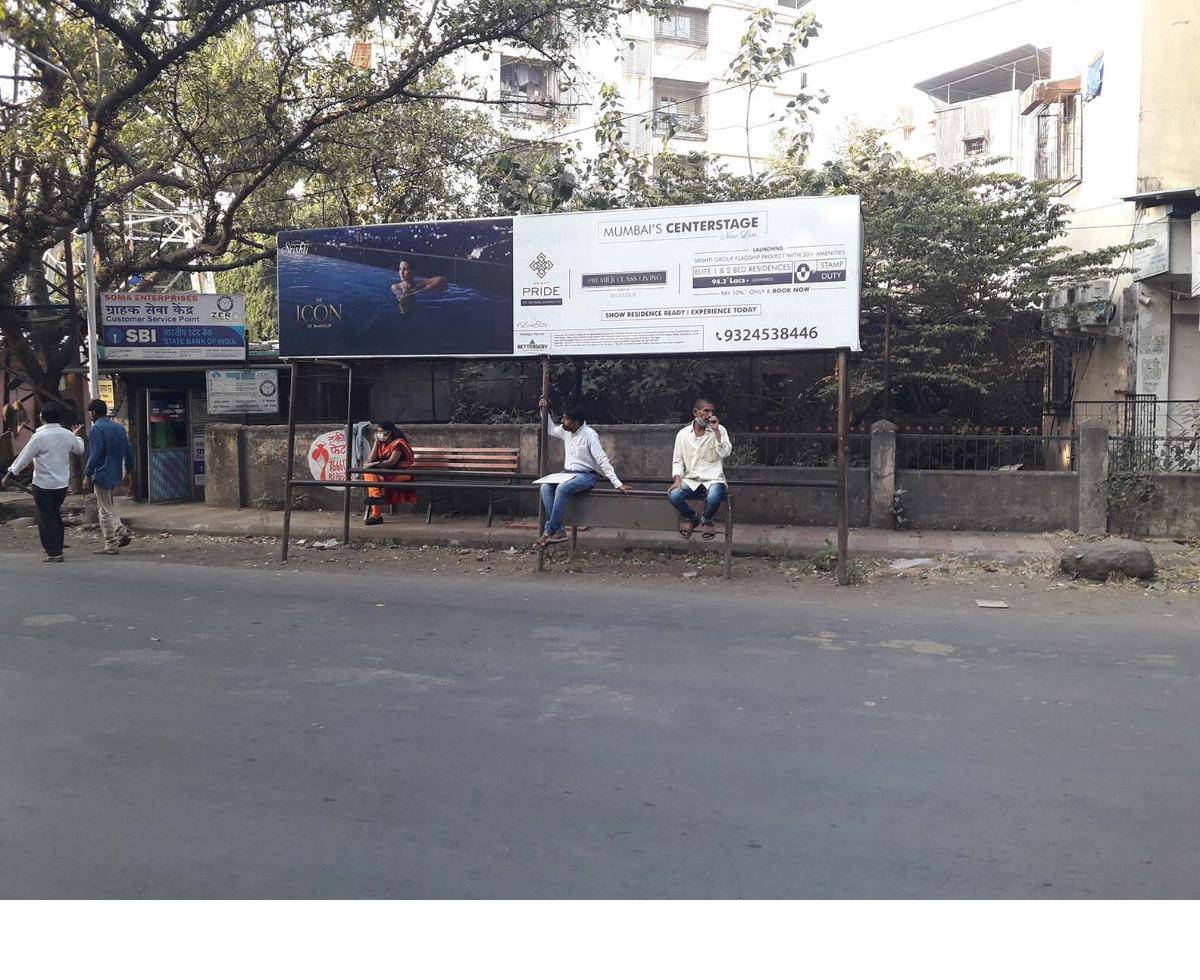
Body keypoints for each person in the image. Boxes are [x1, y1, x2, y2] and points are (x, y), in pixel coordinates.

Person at [535, 399, 628, 549]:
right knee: (545, 487)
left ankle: (548, 532)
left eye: (566, 419)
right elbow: (550, 430)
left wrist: (617, 483)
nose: (563, 421)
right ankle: (559, 530)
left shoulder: (590, 435)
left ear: (576, 421)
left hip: (586, 476)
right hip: (567, 474)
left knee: (561, 488)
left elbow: (602, 459)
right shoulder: (567, 431)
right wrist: (543, 410)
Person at [1, 404, 85, 561]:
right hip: (61, 484)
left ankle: (54, 552)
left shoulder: (39, 437)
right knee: (54, 514)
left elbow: (23, 458)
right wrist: (77, 436)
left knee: (46, 518)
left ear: (42, 418)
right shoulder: (67, 434)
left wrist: (9, 475)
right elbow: (79, 449)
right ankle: (57, 547)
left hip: (43, 484)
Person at [668, 398, 732, 540]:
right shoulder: (683, 434)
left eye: (712, 411)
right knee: (673, 495)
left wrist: (716, 432)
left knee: (714, 497)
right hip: (691, 480)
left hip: (714, 479)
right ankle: (692, 518)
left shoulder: (720, 430)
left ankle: (707, 519)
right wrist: (677, 479)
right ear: (696, 412)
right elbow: (677, 460)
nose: (709, 414)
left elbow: (725, 453)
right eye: (706, 411)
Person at [82, 398, 134, 555]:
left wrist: (87, 474)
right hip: (117, 471)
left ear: (94, 413)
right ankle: (119, 531)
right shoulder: (119, 428)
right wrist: (129, 471)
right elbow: (128, 450)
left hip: (102, 472)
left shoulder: (97, 429)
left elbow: (95, 454)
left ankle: (112, 541)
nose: (91, 416)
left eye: (91, 413)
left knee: (103, 510)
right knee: (107, 506)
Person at [362, 421, 416, 525]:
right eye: (377, 432)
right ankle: (377, 499)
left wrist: (374, 464)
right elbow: (370, 460)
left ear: (389, 432)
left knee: (373, 477)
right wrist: (376, 443)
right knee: (369, 474)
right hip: (386, 473)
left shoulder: (398, 443)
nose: (379, 434)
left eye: (381, 432)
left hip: (401, 473)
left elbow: (391, 462)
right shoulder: (382, 444)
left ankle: (376, 513)